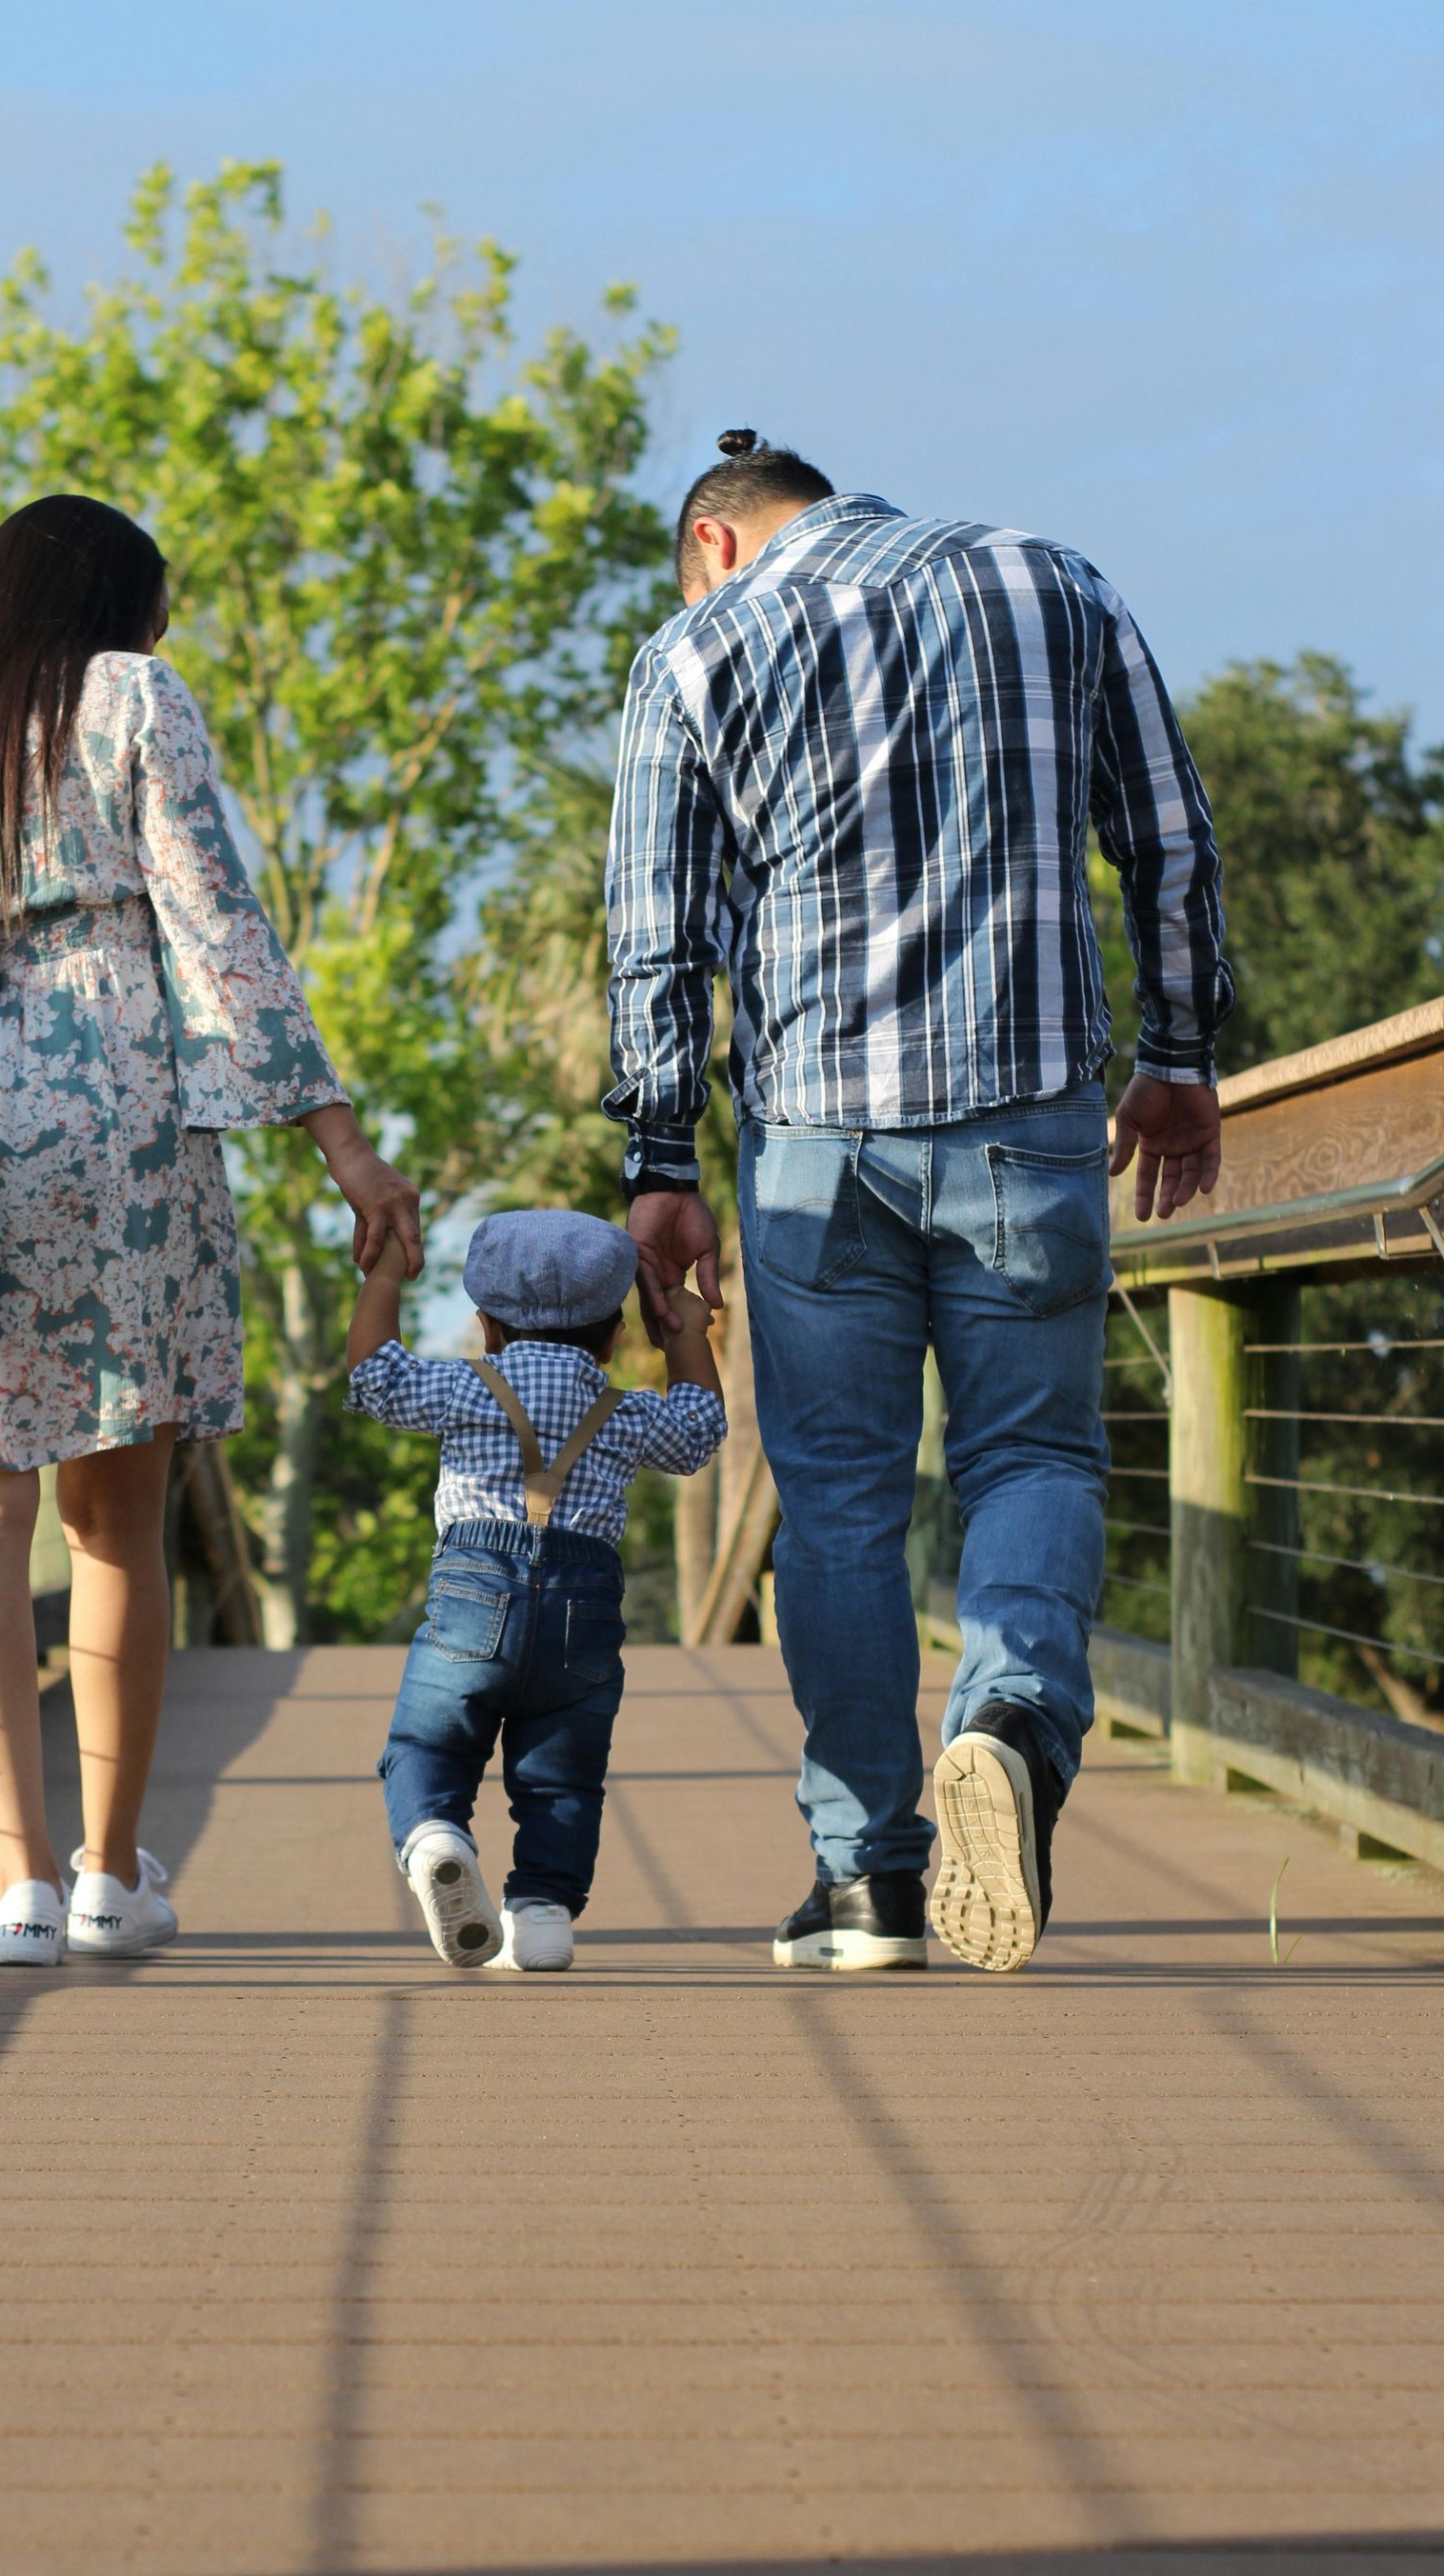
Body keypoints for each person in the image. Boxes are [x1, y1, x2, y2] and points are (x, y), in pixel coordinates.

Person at [606, 430, 1232, 1976]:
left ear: (715, 542)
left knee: (837, 1503)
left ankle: (868, 1880)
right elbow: (1166, 836)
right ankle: (1011, 1717)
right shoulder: (1049, 580)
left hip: (819, 1145)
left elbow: (655, 934)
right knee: (1028, 1452)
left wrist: (660, 1162)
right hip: (1029, 1126)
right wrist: (1182, 1054)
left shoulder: (698, 649)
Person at [0, 493, 419, 1967]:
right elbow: (215, 924)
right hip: (104, 1106)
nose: (165, 631)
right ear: (115, 604)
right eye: (160, 605)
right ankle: (113, 1874)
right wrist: (341, 1141)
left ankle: (15, 1889)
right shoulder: (125, 696)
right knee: (115, 1519)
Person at [348, 1209, 726, 1973]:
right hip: (582, 1605)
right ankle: (545, 1911)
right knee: (562, 1776)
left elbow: (375, 1379)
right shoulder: (622, 1414)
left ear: (487, 1327)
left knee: (427, 1743)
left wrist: (385, 1277)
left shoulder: (463, 1387)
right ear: (616, 1335)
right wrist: (686, 1334)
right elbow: (698, 1430)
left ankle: (435, 1837)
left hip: (471, 1592)